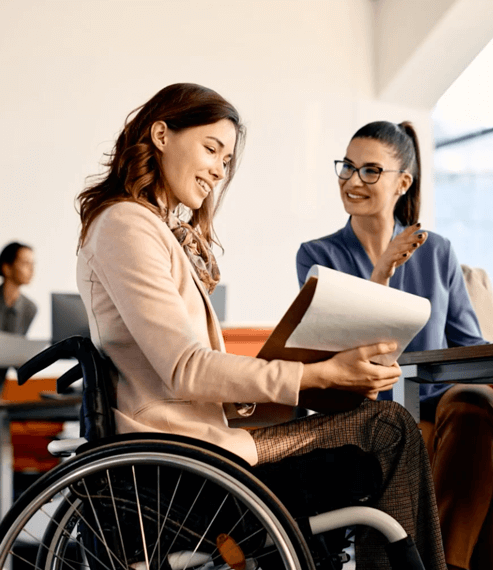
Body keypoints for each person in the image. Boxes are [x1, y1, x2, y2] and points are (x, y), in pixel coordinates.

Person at [75, 83, 446, 569]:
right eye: (211, 149)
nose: (218, 170)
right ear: (161, 134)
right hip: (182, 464)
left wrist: (305, 375)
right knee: (387, 429)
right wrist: (320, 375)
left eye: (226, 160)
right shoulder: (127, 224)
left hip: (200, 447)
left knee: (384, 426)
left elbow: (183, 374)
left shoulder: (148, 226)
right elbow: (186, 368)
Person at [296, 121, 493, 570]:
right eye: (347, 167)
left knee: (474, 401)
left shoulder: (437, 251)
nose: (352, 180)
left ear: (403, 182)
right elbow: (335, 357)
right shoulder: (317, 256)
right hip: (377, 413)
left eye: (370, 171)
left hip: (451, 407)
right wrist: (380, 274)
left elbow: (469, 345)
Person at [0, 242, 37, 387]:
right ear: (7, 268)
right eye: (25, 263)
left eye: (33, 264)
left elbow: (15, 354)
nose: (32, 269)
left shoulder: (29, 308)